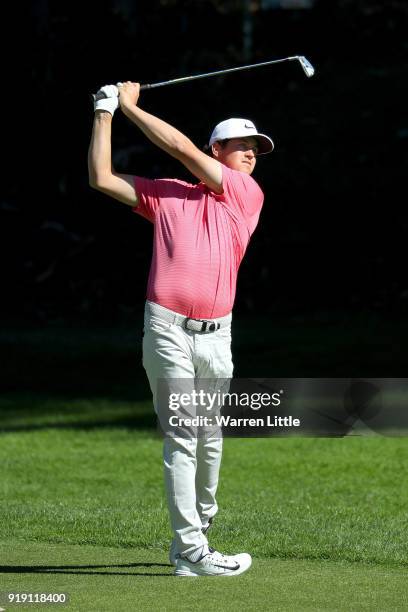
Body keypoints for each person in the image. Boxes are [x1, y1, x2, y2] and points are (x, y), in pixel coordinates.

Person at [88, 82, 274, 577]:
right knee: (184, 436)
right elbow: (102, 178)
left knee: (210, 438)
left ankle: (197, 535)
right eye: (243, 147)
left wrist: (131, 107)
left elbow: (181, 148)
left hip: (217, 335)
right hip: (167, 328)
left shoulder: (244, 194)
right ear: (219, 150)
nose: (252, 155)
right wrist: (106, 114)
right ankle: (191, 549)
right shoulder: (167, 196)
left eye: (256, 149)